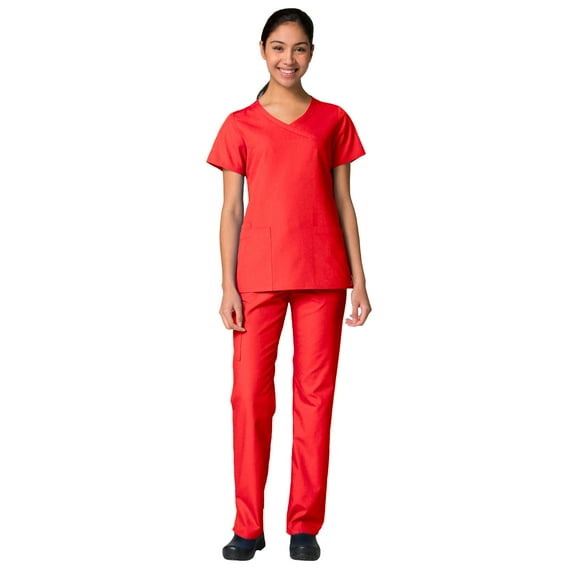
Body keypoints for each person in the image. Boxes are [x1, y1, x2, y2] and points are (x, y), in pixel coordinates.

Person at [207, 7, 371, 561]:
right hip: (256, 278)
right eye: (278, 47)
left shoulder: (334, 120)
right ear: (262, 51)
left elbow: (345, 202)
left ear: (312, 54)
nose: (288, 58)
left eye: (299, 48)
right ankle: (247, 526)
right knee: (248, 398)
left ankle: (304, 525)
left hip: (323, 274)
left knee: (315, 399)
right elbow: (232, 211)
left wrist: (360, 281)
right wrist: (227, 286)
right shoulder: (239, 125)